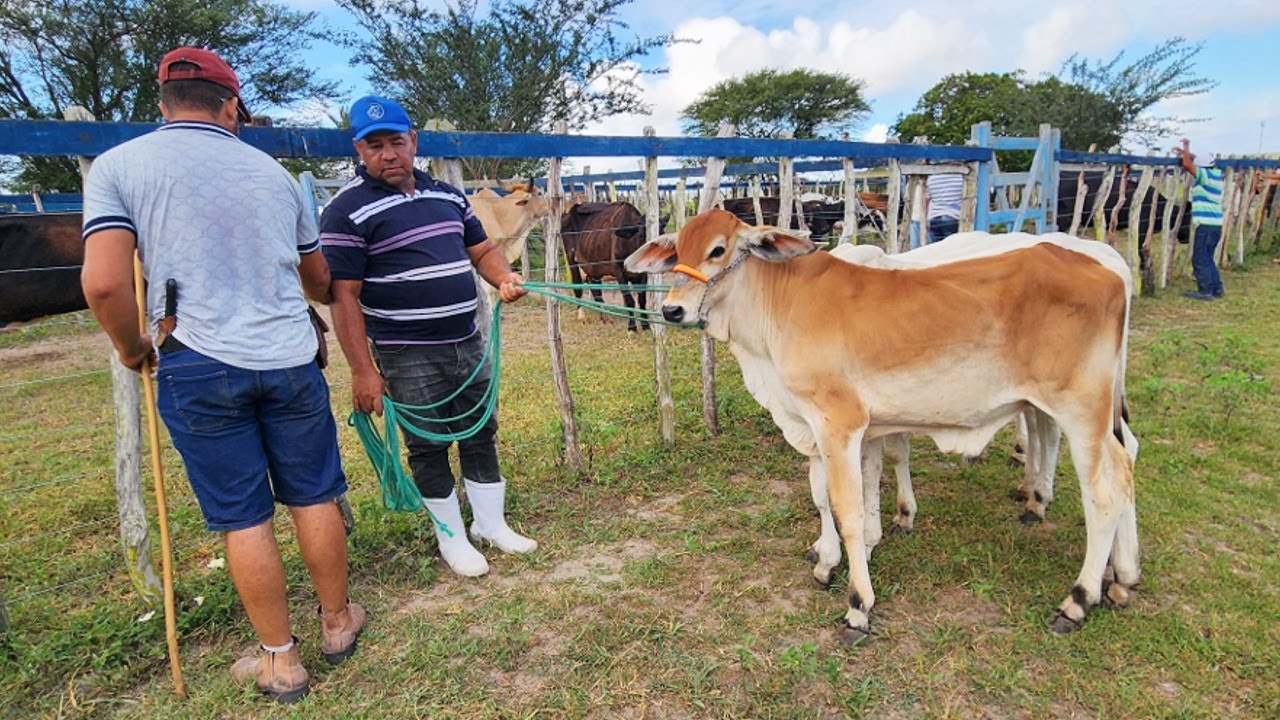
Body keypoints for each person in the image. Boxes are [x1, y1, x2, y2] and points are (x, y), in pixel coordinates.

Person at [80, 47, 364, 704]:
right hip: (290, 356)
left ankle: (280, 661)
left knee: (243, 516)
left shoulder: (120, 167)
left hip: (196, 357)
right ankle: (337, 622)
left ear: (162, 103)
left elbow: (102, 284)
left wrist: (132, 348)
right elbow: (317, 279)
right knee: (313, 495)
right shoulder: (274, 174)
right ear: (231, 105)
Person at [320, 95, 536, 578]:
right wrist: (362, 370)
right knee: (428, 442)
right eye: (374, 145)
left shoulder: (448, 195)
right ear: (359, 149)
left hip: (467, 339)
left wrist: (502, 277)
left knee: (481, 430)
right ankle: (452, 538)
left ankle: (490, 524)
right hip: (405, 352)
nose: (388, 154)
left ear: (413, 141)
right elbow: (343, 297)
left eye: (396, 141)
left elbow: (482, 251)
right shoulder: (345, 212)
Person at [1174, 138, 1225, 300]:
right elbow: (1194, 161)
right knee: (1208, 257)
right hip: (1216, 225)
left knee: (1200, 258)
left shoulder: (1205, 176)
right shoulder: (1216, 174)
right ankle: (1217, 288)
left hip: (1206, 225)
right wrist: (1185, 153)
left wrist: (1186, 146)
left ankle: (1205, 291)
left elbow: (1188, 165)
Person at [925, 171, 963, 243]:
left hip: (935, 217)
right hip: (953, 216)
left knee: (936, 250)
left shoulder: (932, 178)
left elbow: (927, 200)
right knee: (953, 249)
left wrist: (926, 220)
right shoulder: (960, 177)